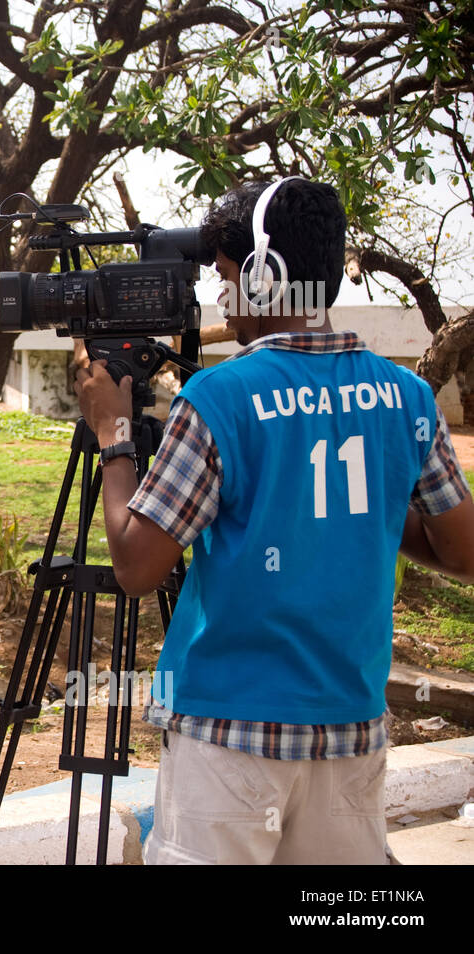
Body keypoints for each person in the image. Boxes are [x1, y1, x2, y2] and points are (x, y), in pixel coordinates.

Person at [74, 177, 474, 864]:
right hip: (350, 726)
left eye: (229, 276)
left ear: (264, 275)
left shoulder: (220, 397)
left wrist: (113, 436)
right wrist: (367, 504)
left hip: (228, 733)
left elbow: (137, 568)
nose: (224, 295)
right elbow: (462, 552)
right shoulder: (406, 395)